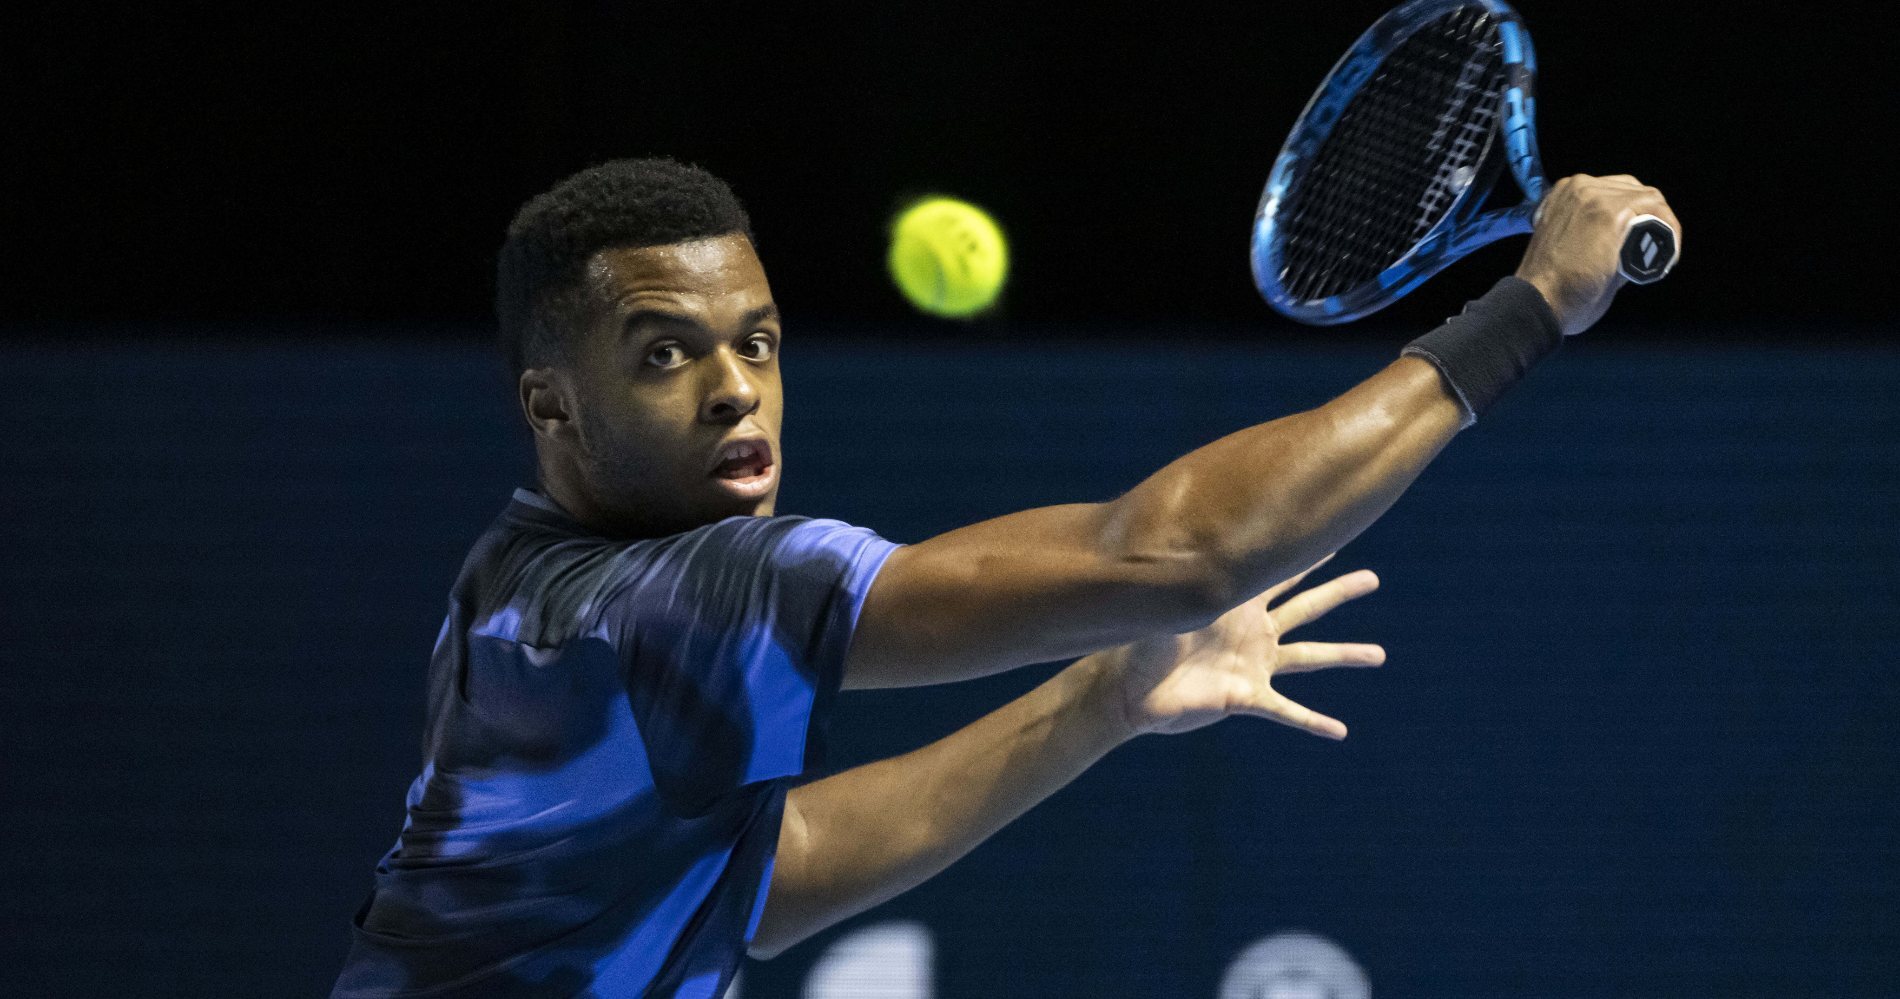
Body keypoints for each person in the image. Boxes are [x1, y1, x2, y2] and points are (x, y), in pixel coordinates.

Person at [329, 157, 1679, 997]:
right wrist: (1531, 310)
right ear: (551, 406)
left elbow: (760, 880)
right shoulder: (668, 598)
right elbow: (1175, 552)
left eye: (759, 341)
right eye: (665, 353)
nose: (739, 388)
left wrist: (1099, 702)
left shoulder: (518, 591)